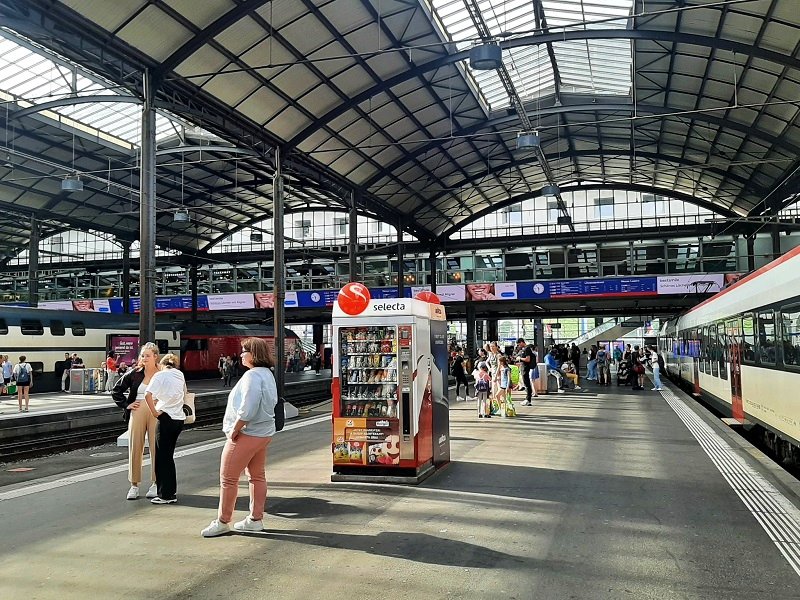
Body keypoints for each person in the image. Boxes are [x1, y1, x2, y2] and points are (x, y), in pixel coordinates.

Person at [202, 337, 279, 538]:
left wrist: (236, 428)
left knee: (228, 478)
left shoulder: (252, 376)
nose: (241, 354)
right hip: (263, 433)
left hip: (247, 434)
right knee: (257, 476)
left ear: (254, 354)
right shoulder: (267, 374)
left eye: (244, 351)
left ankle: (222, 521)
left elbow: (248, 408)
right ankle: (255, 519)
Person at [112, 342, 161, 501]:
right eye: (142, 355)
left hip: (157, 411)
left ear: (155, 356)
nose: (144, 358)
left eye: (147, 355)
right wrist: (127, 405)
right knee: (135, 446)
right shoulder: (135, 373)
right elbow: (116, 390)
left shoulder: (162, 373)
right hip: (138, 410)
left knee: (156, 447)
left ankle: (155, 483)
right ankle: (134, 485)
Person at [144, 353, 186, 504]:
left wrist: (155, 412)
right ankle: (170, 491)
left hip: (166, 418)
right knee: (168, 457)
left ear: (161, 364)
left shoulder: (160, 375)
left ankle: (166, 495)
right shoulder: (179, 375)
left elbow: (147, 394)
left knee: (162, 458)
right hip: (178, 419)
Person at [515, 338, 537, 406]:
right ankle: (527, 399)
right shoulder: (523, 349)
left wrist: (520, 358)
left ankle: (528, 399)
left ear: (521, 342)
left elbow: (528, 359)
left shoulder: (527, 349)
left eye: (519, 344)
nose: (519, 346)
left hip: (525, 368)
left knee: (527, 384)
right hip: (523, 368)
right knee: (525, 383)